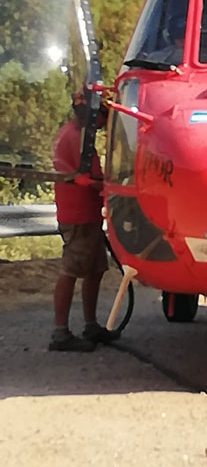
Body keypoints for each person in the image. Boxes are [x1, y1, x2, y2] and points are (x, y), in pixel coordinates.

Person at [49, 92, 118, 352]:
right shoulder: (76, 138)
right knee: (71, 270)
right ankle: (60, 333)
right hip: (77, 215)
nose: (103, 123)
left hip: (86, 214)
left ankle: (91, 325)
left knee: (95, 269)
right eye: (102, 116)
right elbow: (87, 178)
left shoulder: (74, 135)